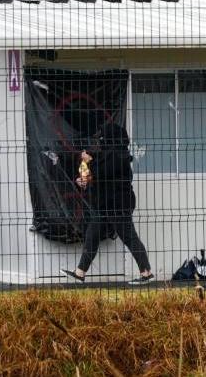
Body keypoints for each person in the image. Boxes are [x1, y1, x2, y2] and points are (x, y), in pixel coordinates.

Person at [61, 121, 154, 285]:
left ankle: (146, 273)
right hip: (105, 203)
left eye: (102, 138)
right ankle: (80, 272)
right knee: (93, 234)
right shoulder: (106, 155)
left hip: (119, 204)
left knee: (128, 236)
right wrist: (83, 177)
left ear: (111, 138)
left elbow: (100, 172)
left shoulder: (119, 156)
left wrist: (87, 165)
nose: (99, 141)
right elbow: (92, 174)